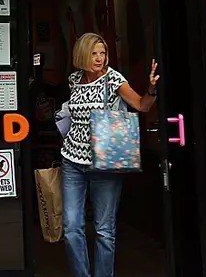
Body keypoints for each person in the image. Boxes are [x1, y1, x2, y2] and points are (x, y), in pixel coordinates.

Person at [61, 32, 159, 277]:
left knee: (104, 230)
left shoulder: (113, 79)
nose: (99, 58)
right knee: (72, 227)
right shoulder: (74, 79)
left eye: (102, 53)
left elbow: (141, 105)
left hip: (104, 163)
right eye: (94, 53)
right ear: (82, 54)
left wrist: (151, 89)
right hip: (72, 160)